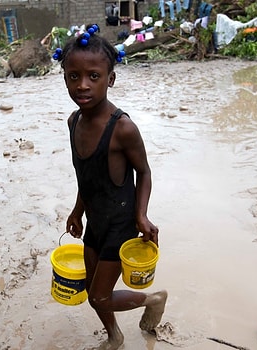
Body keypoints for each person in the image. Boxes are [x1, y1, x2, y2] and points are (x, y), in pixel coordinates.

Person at [53, 24, 168, 350]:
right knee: (92, 292)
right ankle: (114, 334)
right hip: (94, 223)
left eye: (93, 76)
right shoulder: (73, 122)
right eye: (73, 77)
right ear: (65, 79)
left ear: (110, 79)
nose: (83, 85)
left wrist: (141, 216)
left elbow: (144, 172)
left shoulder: (123, 129)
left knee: (99, 295)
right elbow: (86, 175)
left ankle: (152, 300)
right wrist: (77, 211)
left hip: (120, 224)